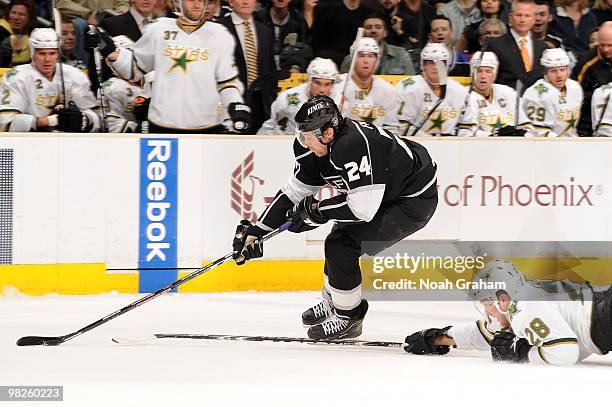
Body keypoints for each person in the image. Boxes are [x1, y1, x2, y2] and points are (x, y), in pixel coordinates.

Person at [232, 94, 438, 340]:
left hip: (412, 201)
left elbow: (362, 209)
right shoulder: (313, 148)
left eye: (308, 136)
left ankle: (350, 317)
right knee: (338, 237)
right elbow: (294, 193)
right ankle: (336, 301)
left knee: (342, 244)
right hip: (386, 192)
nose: (304, 143)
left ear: (327, 133)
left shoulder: (352, 146)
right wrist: (258, 230)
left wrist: (317, 211)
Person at [404, 259, 612, 366]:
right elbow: (488, 334)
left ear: (503, 299)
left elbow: (564, 353)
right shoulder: (519, 301)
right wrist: (439, 338)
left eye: (487, 303)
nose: (487, 311)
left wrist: (521, 354)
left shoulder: (524, 308)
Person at [99, 0, 250, 133]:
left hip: (207, 125)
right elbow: (136, 69)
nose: (197, 4)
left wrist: (235, 104)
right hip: (161, 124)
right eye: (191, 0)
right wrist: (111, 52)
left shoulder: (220, 34)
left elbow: (227, 82)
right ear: (178, 2)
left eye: (201, 0)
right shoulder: (158, 29)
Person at [0, 28, 101, 132]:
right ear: (32, 53)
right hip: (30, 142)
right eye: (42, 54)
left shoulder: (75, 75)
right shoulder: (15, 77)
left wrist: (83, 120)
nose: (47, 59)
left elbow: (98, 119)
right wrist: (50, 121)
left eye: (52, 53)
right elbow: (5, 123)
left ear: (58, 53)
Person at [396, 42, 477, 137]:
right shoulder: (407, 87)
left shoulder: (460, 91)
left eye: (440, 62)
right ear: (423, 65)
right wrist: (430, 140)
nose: (435, 67)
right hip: (416, 146)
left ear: (447, 65)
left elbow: (467, 125)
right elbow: (401, 124)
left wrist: (454, 141)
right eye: (430, 62)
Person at [219, 0, 276, 133]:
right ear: (231, 2)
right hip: (232, 101)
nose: (245, 1)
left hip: (260, 104)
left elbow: (270, 70)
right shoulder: (219, 29)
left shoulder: (265, 31)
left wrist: (270, 102)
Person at [258, 57, 338, 135]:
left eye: (327, 84)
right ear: (309, 80)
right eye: (317, 83)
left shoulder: (340, 100)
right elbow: (274, 128)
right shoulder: (288, 99)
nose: (322, 90)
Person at [336, 37, 399, 130]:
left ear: (377, 60)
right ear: (352, 59)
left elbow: (391, 127)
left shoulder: (387, 89)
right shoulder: (338, 85)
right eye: (361, 55)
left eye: (370, 56)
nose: (366, 60)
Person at [485, 0, 548, 89]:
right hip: (505, 99)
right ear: (510, 17)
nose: (523, 20)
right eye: (519, 15)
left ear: (534, 19)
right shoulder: (495, 45)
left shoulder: (542, 47)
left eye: (527, 15)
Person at [521, 48, 583, 137]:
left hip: (569, 143)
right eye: (553, 71)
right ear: (545, 72)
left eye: (562, 70)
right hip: (543, 145)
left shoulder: (575, 88)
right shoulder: (537, 94)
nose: (559, 75)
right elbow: (540, 132)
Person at [99, 35, 152, 133]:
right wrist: (139, 129)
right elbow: (109, 123)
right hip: (130, 141)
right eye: (113, 60)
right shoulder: (111, 87)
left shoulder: (155, 78)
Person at [468, 51, 527, 136]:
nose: (483, 76)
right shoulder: (464, 96)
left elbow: (526, 124)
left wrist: (521, 133)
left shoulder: (508, 93)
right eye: (479, 71)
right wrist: (494, 136)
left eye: (488, 71)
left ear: (494, 75)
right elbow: (465, 133)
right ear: (471, 73)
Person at [340, 13, 415, 75]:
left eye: (378, 27)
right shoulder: (350, 59)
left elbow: (411, 83)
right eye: (369, 27)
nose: (373, 30)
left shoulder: (401, 54)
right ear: (362, 33)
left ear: (385, 33)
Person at [572, 21, 612, 136]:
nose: (605, 49)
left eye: (610, 45)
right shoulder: (586, 61)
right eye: (602, 44)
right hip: (590, 121)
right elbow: (574, 93)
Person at [0, 0, 38, 67]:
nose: (16, 18)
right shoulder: (1, 31)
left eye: (21, 14)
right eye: (13, 13)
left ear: (30, 17)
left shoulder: (32, 35)